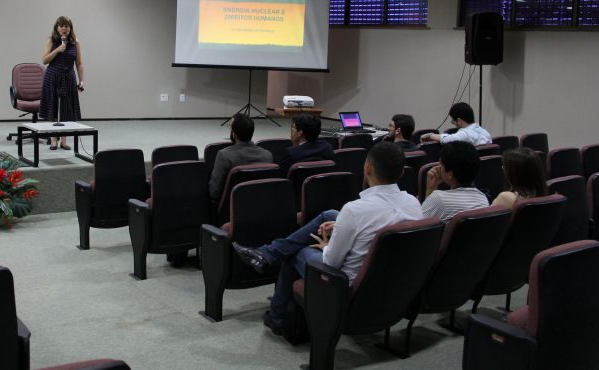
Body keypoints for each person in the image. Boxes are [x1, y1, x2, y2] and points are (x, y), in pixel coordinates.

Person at [234, 142, 423, 334]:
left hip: (346, 283)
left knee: (295, 251)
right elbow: (382, 223)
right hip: (390, 278)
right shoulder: (413, 203)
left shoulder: (355, 210)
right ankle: (268, 254)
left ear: (367, 168)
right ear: (401, 173)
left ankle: (277, 316)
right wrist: (341, 226)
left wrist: (326, 245)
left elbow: (331, 262)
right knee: (330, 214)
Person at [40, 16, 85, 151]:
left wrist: (81, 80)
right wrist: (58, 49)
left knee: (66, 108)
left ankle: (64, 140)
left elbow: (79, 63)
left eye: (67, 26)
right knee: (53, 107)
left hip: (69, 76)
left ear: (70, 28)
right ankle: (54, 140)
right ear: (57, 28)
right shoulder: (51, 40)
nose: (64, 28)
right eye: (61, 26)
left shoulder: (76, 42)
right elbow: (44, 60)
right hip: (53, 75)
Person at [209, 113, 273, 201]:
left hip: (231, 209)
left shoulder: (224, 155)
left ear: (234, 134)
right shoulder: (267, 155)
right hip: (260, 206)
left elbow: (214, 192)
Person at [422, 141, 489, 223]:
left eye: (441, 164)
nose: (438, 168)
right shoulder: (483, 198)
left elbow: (422, 227)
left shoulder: (439, 199)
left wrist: (430, 188)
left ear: (450, 174)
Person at [420, 102, 492, 146]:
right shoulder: (486, 133)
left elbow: (447, 139)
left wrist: (430, 135)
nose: (452, 123)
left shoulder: (466, 134)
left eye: (453, 121)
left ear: (459, 121)